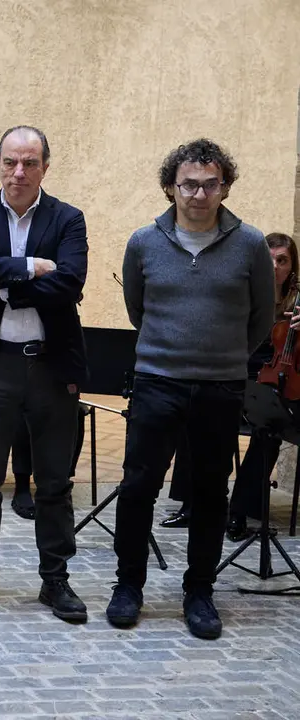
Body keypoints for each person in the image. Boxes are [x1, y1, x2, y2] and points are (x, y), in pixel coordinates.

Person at [108, 139, 273, 640]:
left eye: (211, 184)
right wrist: (172, 350)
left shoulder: (250, 244)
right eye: (189, 184)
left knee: (208, 493)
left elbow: (261, 319)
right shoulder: (143, 242)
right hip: (158, 382)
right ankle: (128, 584)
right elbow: (138, 310)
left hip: (220, 388)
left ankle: (199, 590)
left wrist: (221, 356)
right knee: (139, 486)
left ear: (225, 187)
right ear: (170, 187)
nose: (200, 194)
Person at [0, 126, 89, 623]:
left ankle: (56, 581)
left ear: (45, 167)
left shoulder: (69, 219)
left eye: (29, 163)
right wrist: (32, 267)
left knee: (54, 480)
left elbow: (70, 283)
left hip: (51, 364)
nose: (19, 172)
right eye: (10, 162)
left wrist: (4, 278)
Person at [227, 232, 300, 540]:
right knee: (262, 429)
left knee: (267, 430)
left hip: (295, 391)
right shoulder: (250, 295)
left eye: (282, 260)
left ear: (292, 265)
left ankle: (239, 512)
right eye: (269, 260)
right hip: (259, 382)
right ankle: (229, 509)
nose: (275, 267)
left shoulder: (297, 301)